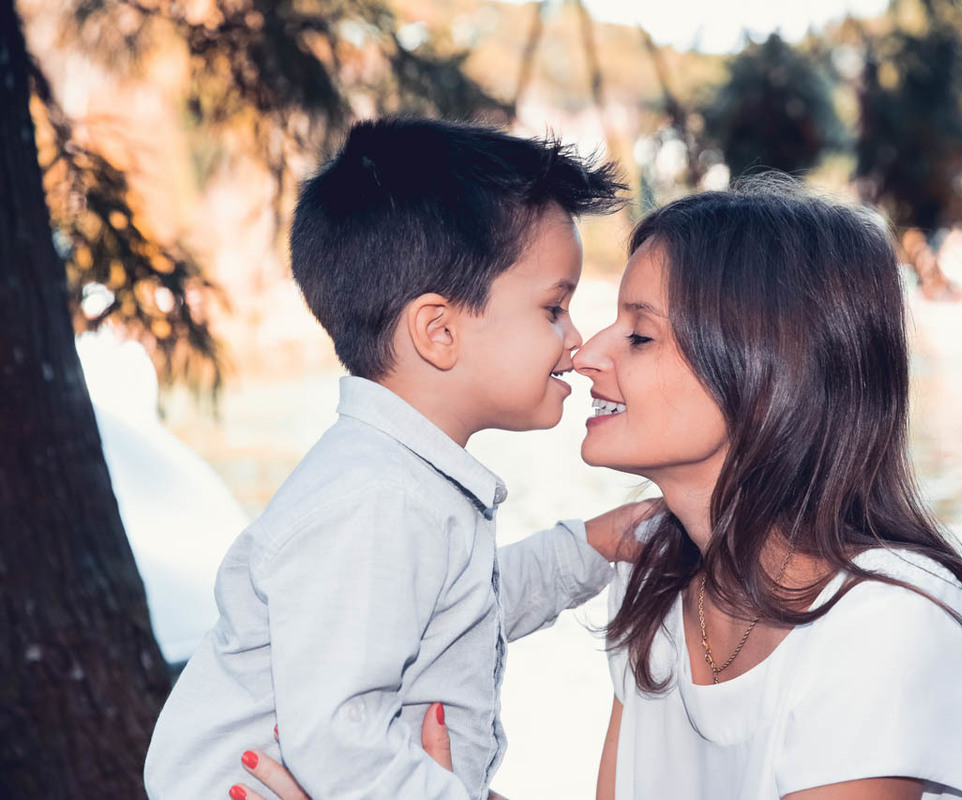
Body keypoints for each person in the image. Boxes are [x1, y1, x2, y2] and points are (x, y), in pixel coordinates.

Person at [238, 177, 962, 799]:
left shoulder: (887, 622)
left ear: (768, 374)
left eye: (638, 334)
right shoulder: (656, 589)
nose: (586, 353)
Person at [143, 117, 650, 800]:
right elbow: (337, 738)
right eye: (554, 308)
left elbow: (458, 616)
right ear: (438, 332)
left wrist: (589, 548)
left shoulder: (399, 479)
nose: (577, 339)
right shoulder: (378, 500)